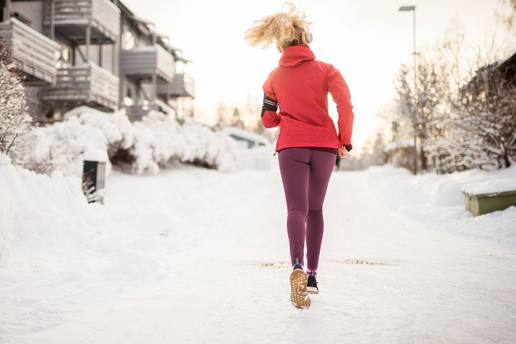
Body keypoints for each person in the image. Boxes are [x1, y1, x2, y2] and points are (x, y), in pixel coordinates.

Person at [245, 3, 355, 309]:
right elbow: (345, 106)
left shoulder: (274, 77)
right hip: (323, 146)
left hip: (291, 146)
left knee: (295, 208)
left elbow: (267, 119)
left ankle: (295, 264)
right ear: (307, 39)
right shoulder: (327, 70)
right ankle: (312, 276)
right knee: (315, 211)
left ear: (280, 43)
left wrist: (284, 120)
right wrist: (344, 140)